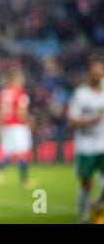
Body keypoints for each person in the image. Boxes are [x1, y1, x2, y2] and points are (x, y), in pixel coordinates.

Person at [68, 56, 104, 224]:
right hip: (86, 145)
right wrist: (92, 120)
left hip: (103, 144)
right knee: (87, 184)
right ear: (88, 74)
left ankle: (96, 204)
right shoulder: (81, 94)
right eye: (95, 73)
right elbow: (73, 120)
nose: (98, 76)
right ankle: (82, 217)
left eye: (100, 73)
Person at [0, 70, 37, 189]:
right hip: (18, 127)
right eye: (21, 79)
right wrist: (30, 121)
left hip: (6, 126)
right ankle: (25, 179)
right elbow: (21, 112)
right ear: (15, 80)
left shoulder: (2, 93)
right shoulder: (21, 93)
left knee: (7, 153)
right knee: (24, 153)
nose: (23, 82)